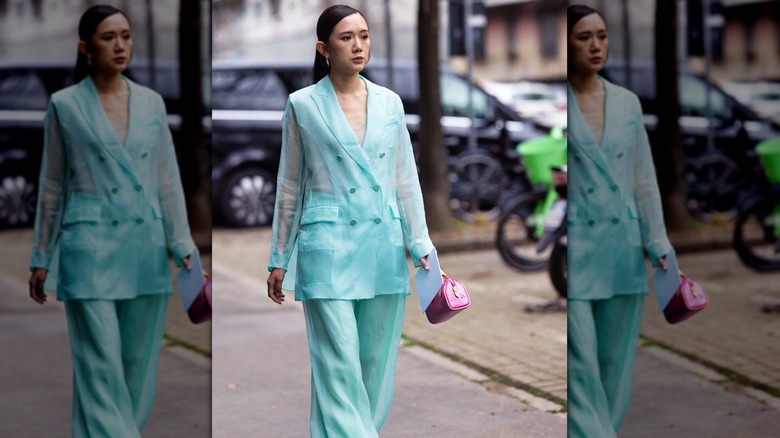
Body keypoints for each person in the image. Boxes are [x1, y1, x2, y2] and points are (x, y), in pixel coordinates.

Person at [266, 4, 434, 437]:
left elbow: (406, 180)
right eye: (346, 37)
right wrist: (279, 256)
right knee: (338, 366)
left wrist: (421, 244)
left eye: (363, 35)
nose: (358, 45)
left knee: (374, 369)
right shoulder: (302, 105)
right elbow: (289, 185)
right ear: (323, 48)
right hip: (328, 250)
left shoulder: (390, 102)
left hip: (383, 247)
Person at [27, 5, 196, 436]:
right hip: (89, 250)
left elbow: (168, 182)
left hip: (145, 248)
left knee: (137, 367)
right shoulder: (64, 105)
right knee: (99, 365)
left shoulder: (152, 103)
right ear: (85, 48)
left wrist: (184, 245)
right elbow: (51, 185)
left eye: (126, 35)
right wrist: (41, 255)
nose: (120, 45)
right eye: (108, 37)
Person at [566, 4, 678, 437]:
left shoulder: (627, 103)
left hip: (624, 248)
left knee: (614, 367)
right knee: (581, 368)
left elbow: (643, 180)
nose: (596, 45)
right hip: (577, 250)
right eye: (583, 37)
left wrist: (660, 244)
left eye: (602, 35)